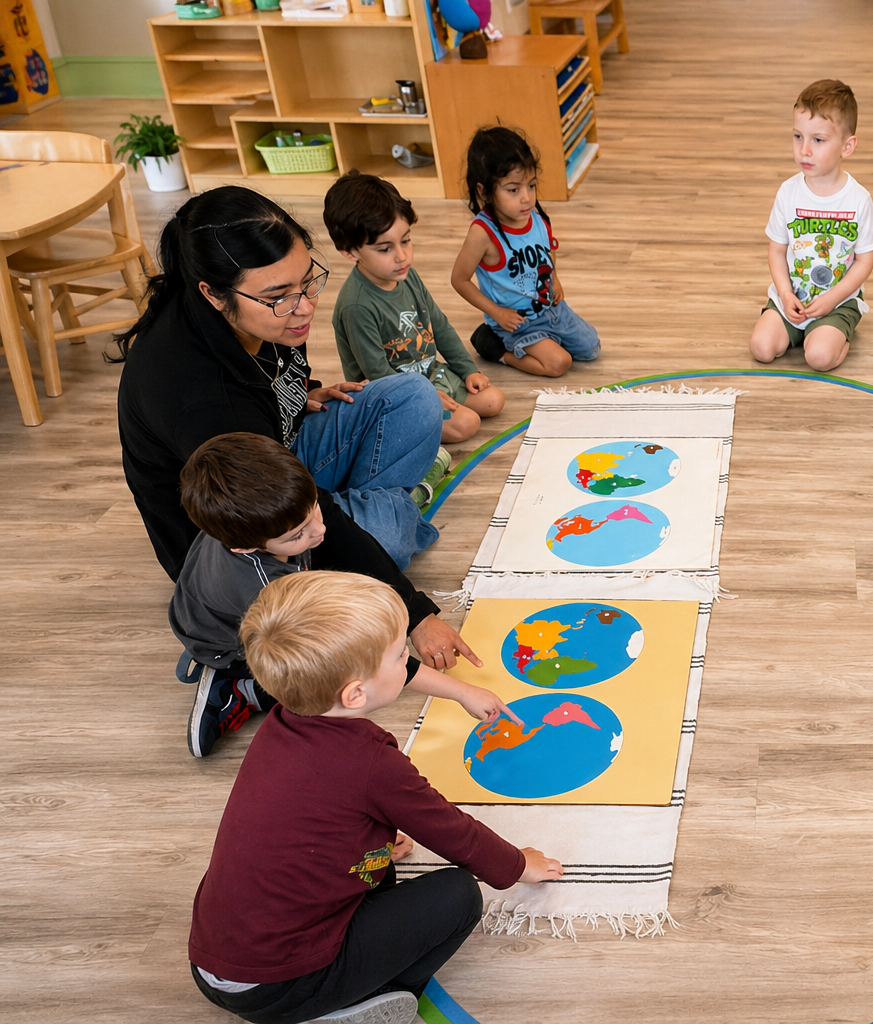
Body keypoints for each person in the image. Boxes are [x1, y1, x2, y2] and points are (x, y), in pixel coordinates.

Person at [189, 571, 563, 1024]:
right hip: (285, 985)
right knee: (458, 894)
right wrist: (518, 865)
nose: (408, 658)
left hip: (215, 963)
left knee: (378, 871)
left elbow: (310, 822)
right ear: (355, 693)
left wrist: (372, 846)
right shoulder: (370, 762)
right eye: (400, 653)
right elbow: (453, 833)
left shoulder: (283, 724)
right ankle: (364, 1004)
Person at [116, 185, 453, 582]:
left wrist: (302, 390)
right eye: (280, 296)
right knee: (387, 538)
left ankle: (373, 509)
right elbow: (261, 503)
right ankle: (385, 510)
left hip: (280, 454)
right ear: (215, 294)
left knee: (414, 396)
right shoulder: (204, 400)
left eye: (308, 282)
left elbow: (270, 372)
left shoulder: (267, 311)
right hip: (244, 530)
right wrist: (414, 610)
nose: (305, 306)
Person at [172, 433, 510, 758]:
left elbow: (340, 537)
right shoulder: (273, 593)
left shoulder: (261, 517)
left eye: (315, 509)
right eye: (297, 534)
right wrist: (463, 692)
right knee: (329, 690)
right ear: (244, 546)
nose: (320, 530)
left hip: (216, 607)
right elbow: (366, 658)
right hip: (226, 644)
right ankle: (238, 686)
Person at [324, 170, 505, 447]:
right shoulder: (356, 305)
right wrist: (428, 397)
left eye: (406, 240)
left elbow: (440, 327)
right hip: (392, 395)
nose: (402, 256)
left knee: (494, 401)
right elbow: (378, 373)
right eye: (385, 249)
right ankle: (385, 428)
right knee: (468, 423)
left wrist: (468, 370)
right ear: (350, 252)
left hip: (431, 373)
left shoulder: (407, 275)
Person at [747, 78, 873, 373]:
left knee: (819, 357)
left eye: (818, 140)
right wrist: (784, 294)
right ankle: (800, 331)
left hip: (838, 301)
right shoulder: (787, 192)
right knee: (761, 348)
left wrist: (832, 299)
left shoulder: (858, 200)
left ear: (847, 146)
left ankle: (837, 332)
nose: (804, 150)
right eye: (798, 137)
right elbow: (777, 251)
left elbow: (864, 261)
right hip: (792, 298)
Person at [452, 126, 600, 377]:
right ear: (483, 191)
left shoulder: (536, 217)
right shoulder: (483, 233)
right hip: (517, 322)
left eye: (531, 186)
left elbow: (548, 249)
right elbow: (459, 280)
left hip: (551, 309)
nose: (527, 198)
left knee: (591, 349)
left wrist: (555, 277)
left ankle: (544, 341)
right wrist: (497, 313)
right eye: (513, 189)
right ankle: (496, 348)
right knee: (558, 364)